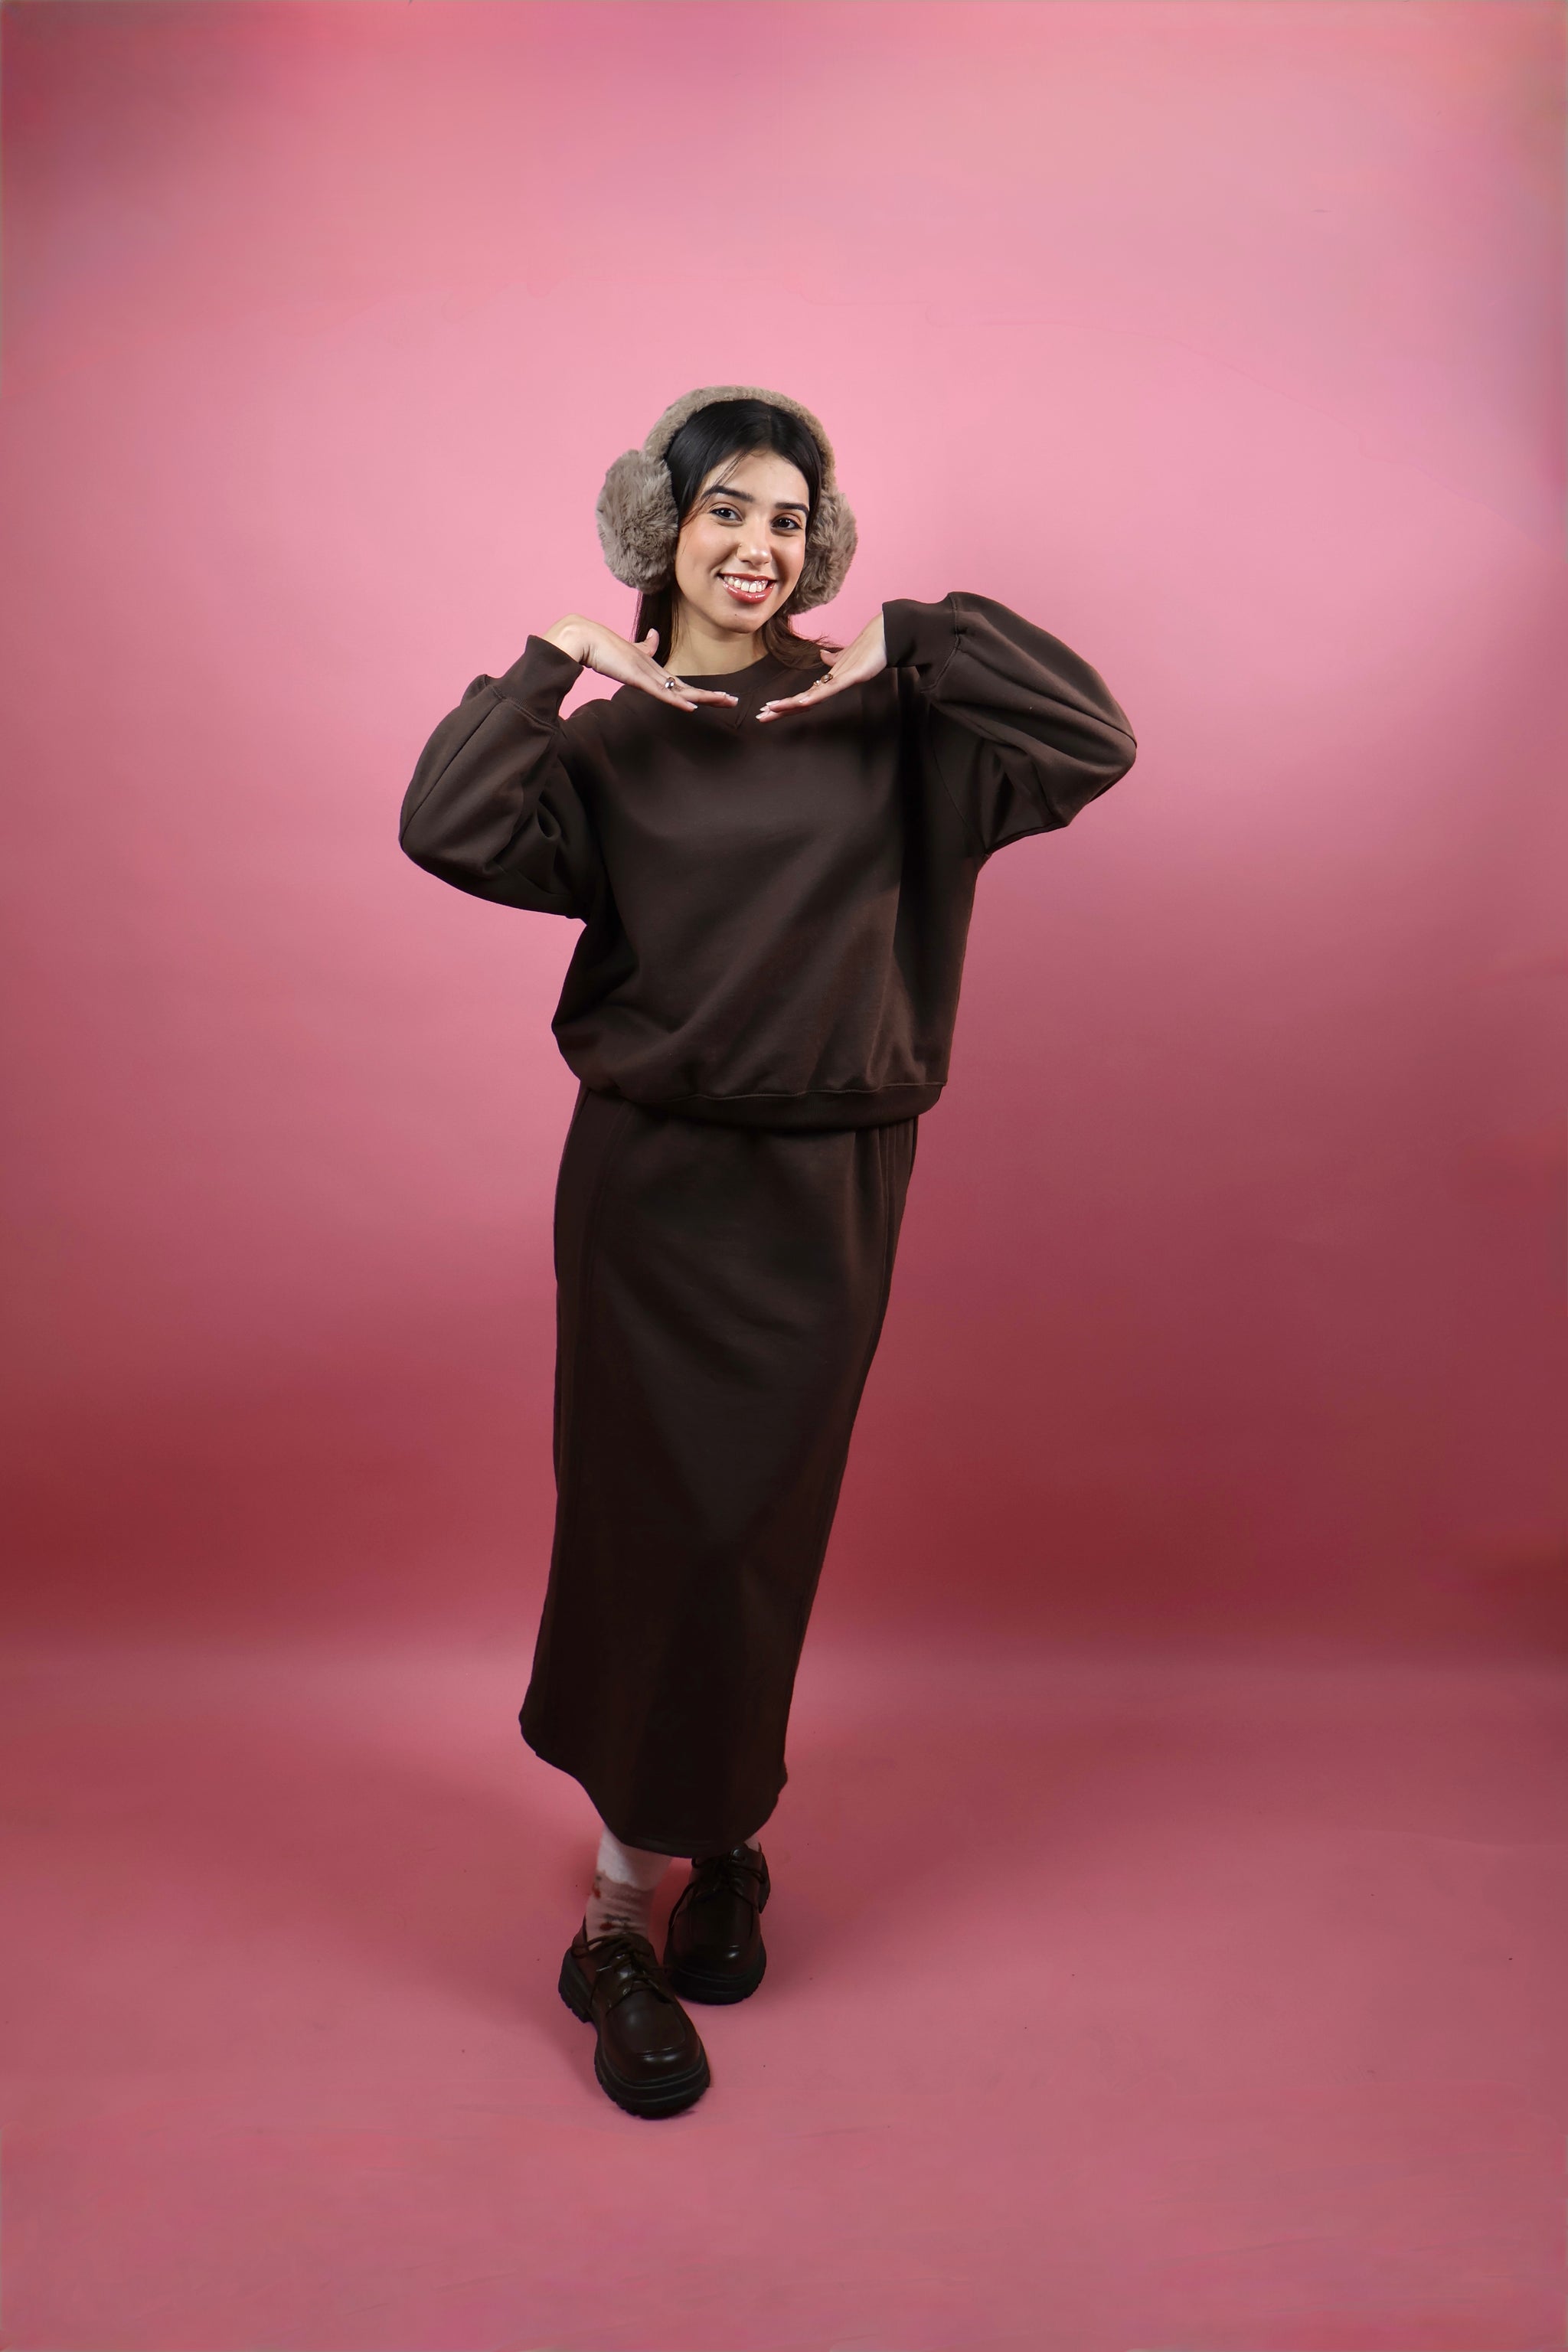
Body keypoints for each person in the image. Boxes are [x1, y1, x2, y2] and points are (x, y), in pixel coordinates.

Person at [399, 384, 1137, 2118]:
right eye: (725, 508)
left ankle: (726, 1832)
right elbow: (446, 826)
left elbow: (1089, 739)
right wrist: (555, 660)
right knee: (648, 1526)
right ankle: (613, 1917)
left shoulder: (902, 720)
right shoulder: (606, 748)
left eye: (791, 518)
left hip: (832, 1189)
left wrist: (916, 636)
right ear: (660, 526)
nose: (759, 545)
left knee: (757, 1533)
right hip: (654, 1190)